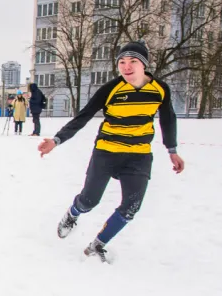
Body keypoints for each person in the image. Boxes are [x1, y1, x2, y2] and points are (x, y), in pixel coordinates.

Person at [38, 41, 185, 262]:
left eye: (133, 61)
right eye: (122, 62)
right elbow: (84, 116)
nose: (126, 67)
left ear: (144, 64)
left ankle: (98, 244)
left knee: (131, 207)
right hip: (106, 153)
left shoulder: (160, 89)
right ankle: (73, 214)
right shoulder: (111, 89)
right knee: (88, 201)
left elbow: (168, 119)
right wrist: (57, 140)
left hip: (138, 156)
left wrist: (172, 150)